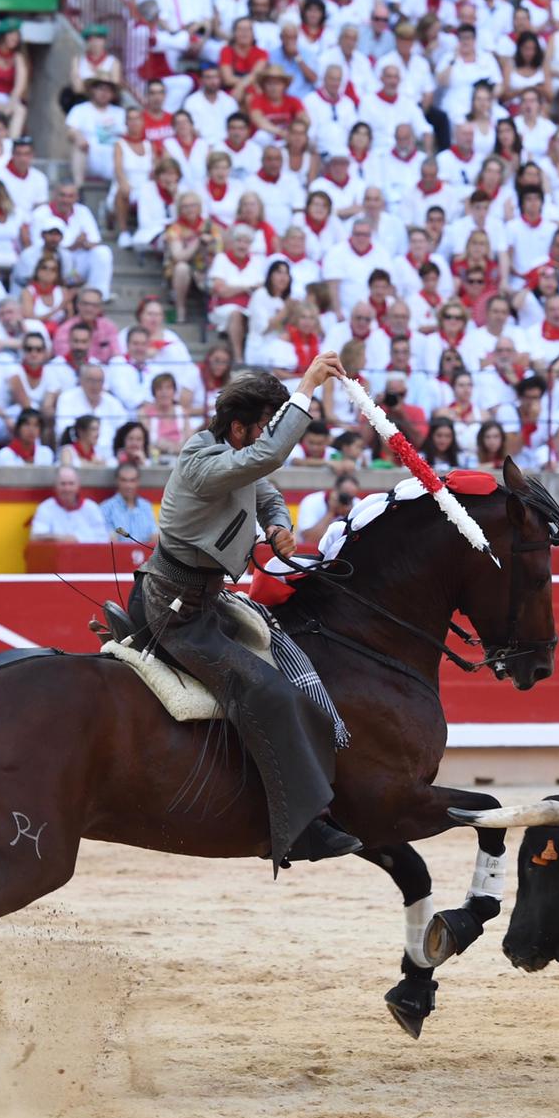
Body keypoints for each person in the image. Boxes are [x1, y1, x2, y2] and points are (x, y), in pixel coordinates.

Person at [127, 353, 359, 869]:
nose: (262, 437)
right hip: (175, 610)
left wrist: (277, 526)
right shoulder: (203, 463)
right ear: (238, 428)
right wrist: (307, 387)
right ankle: (298, 828)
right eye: (260, 427)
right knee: (268, 692)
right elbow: (266, 463)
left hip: (205, 600)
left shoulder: (229, 453)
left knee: (289, 658)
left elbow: (266, 490)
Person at [29, 465, 110, 542]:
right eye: (63, 484)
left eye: (71, 483)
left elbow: (103, 538)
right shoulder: (45, 507)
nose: (67, 489)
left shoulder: (91, 507)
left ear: (78, 486)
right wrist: (63, 539)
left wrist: (76, 539)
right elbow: (36, 536)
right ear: (55, 486)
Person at [101, 461, 158, 545]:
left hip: (146, 556)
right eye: (124, 480)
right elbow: (110, 542)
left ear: (138, 482)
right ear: (117, 481)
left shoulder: (146, 506)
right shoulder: (106, 508)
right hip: (119, 557)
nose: (128, 485)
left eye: (132, 480)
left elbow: (154, 537)